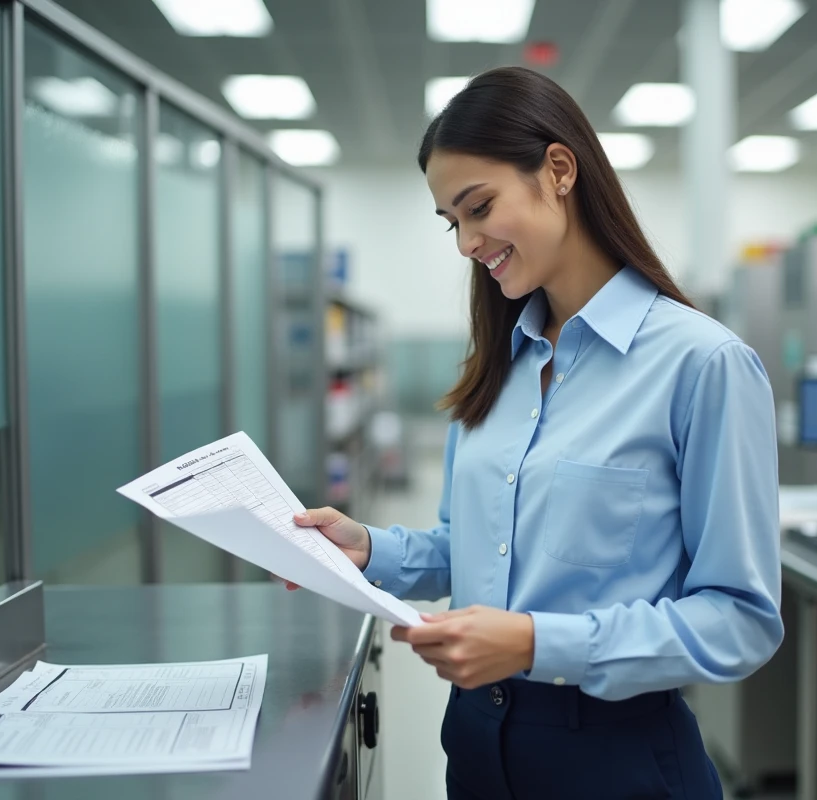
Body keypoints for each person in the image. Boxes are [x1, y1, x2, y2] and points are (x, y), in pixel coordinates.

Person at [288, 66, 782, 800]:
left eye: (478, 207)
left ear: (558, 170)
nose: (465, 243)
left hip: (618, 761)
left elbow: (738, 620)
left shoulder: (701, 365)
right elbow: (472, 549)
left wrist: (536, 642)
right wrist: (366, 549)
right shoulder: (498, 368)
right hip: (478, 748)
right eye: (452, 222)